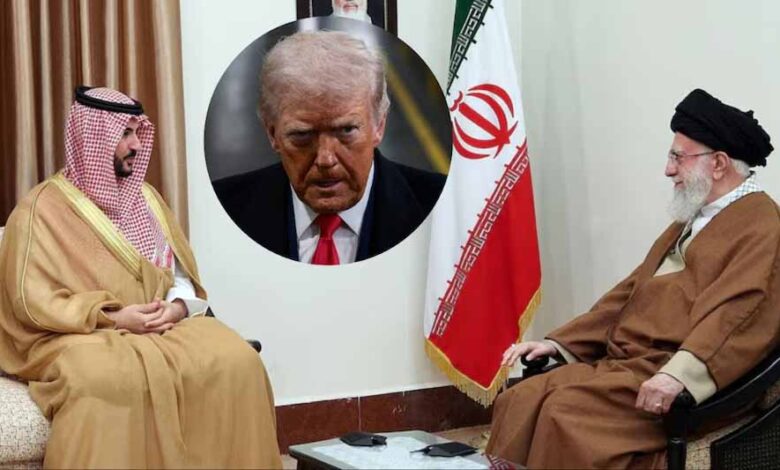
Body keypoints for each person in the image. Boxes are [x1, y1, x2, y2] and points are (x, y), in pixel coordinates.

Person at [487, 89, 779, 468]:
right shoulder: (698, 217)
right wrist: (559, 344)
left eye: (678, 157)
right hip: (630, 366)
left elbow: (741, 314)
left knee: (564, 414)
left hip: (675, 376)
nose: (668, 170)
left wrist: (680, 375)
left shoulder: (761, 224)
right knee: (519, 398)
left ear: (719, 163)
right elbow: (631, 293)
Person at [0, 86, 282, 468]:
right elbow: (31, 302)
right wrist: (116, 318)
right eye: (125, 134)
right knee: (102, 380)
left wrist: (177, 308)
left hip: (159, 326)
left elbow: (177, 273)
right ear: (92, 137)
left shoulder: (146, 200)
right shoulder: (40, 210)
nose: (136, 144)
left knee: (239, 361)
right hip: (77, 335)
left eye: (138, 132)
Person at [214, 31, 445, 265]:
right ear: (272, 133)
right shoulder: (221, 210)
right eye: (302, 135)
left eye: (346, 131)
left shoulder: (443, 210)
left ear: (379, 125)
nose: (325, 159)